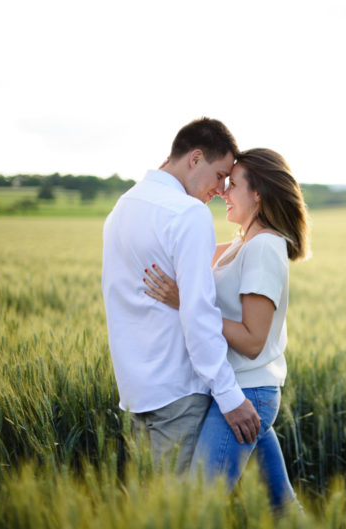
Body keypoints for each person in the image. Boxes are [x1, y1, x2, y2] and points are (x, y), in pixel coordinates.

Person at [143, 147, 309, 512]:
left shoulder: (263, 248)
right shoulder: (241, 243)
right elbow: (190, 252)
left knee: (199, 506)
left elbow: (252, 340)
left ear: (258, 194)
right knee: (281, 506)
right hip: (242, 389)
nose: (223, 192)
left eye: (232, 184)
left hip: (248, 392)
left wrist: (186, 303)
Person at [101, 117, 260, 475]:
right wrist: (231, 396)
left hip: (135, 391)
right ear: (196, 158)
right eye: (220, 175)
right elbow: (199, 315)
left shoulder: (122, 208)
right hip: (179, 392)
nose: (221, 190)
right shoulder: (189, 214)